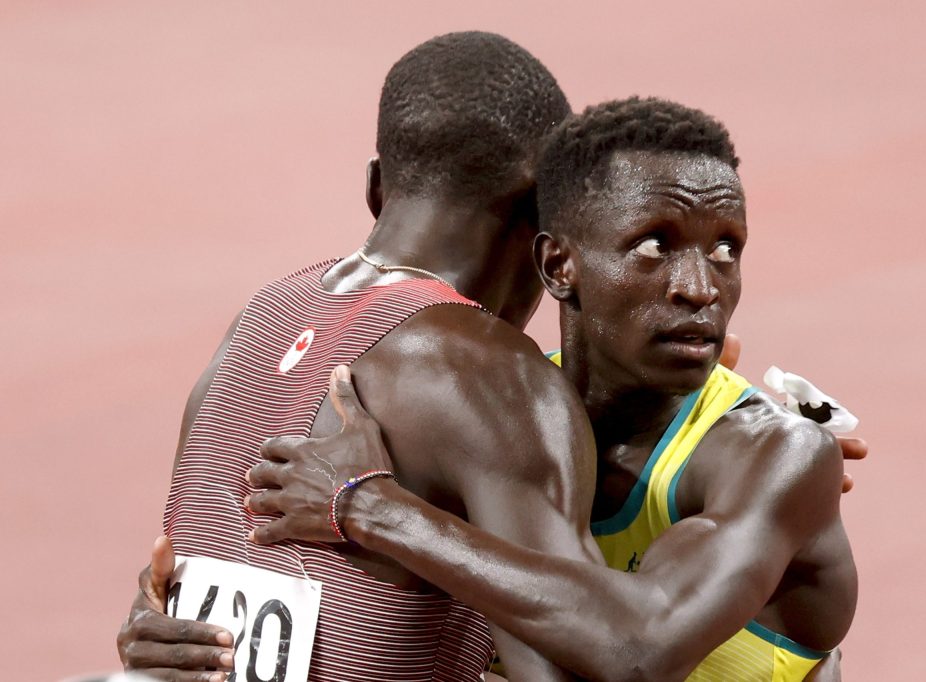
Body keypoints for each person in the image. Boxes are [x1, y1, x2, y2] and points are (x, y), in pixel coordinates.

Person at [243, 98, 860, 681]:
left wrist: (365, 508)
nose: (700, 287)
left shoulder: (780, 456)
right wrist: (159, 628)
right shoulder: (500, 421)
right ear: (558, 266)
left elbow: (642, 650)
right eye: (654, 245)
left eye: (727, 248)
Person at [118, 31, 603, 682]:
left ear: (376, 187)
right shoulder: (493, 372)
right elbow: (580, 665)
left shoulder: (256, 322)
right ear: (540, 210)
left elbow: (166, 594)